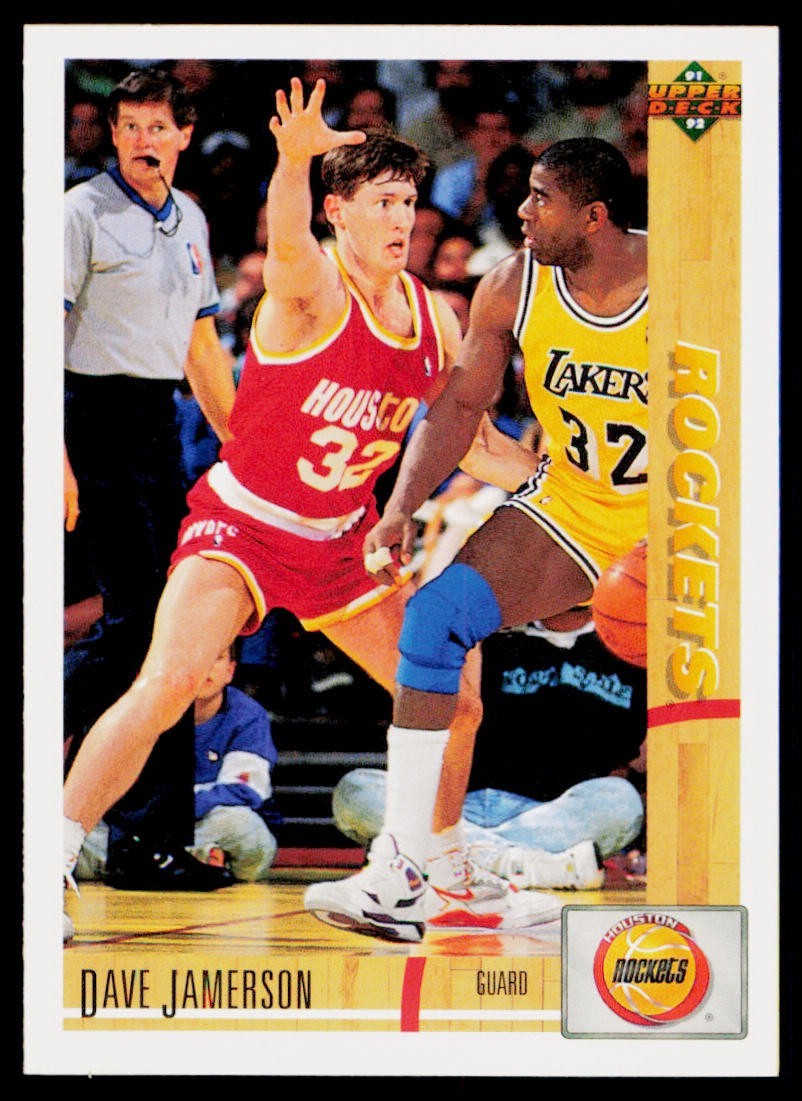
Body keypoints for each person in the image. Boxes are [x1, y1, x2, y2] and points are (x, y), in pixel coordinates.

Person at [63, 77, 557, 942]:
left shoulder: (434, 319)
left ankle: (443, 869)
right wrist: (293, 162)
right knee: (168, 680)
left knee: (458, 693)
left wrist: (560, 476)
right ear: (340, 211)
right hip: (244, 526)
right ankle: (47, 858)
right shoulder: (311, 287)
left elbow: (472, 443)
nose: (401, 220)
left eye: (408, 202)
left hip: (341, 545)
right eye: (382, 203)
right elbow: (286, 236)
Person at [304, 136, 648, 942]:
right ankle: (407, 866)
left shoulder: (682, 283)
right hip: (573, 506)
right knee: (434, 617)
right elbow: (460, 408)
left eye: (541, 199)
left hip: (681, 517)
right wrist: (401, 507)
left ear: (594, 217)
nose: (522, 211)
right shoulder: (513, 283)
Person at [63, 66, 237, 938]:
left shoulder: (191, 217)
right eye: (128, 125)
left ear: (184, 133)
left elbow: (203, 351)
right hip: (89, 417)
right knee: (135, 625)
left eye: (156, 126)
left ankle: (150, 842)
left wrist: (249, 454)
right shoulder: (80, 211)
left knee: (171, 638)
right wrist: (55, 454)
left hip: (160, 425)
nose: (141, 139)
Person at [331, 606, 647, 891]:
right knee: (356, 791)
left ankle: (447, 858)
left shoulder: (631, 652)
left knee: (621, 802)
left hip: (550, 814)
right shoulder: (487, 632)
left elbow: (634, 762)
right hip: (451, 809)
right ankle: (514, 863)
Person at [75, 642, 281, 884]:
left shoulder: (247, 715)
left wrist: (171, 810)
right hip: (139, 827)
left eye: (216, 657)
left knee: (243, 827)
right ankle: (191, 859)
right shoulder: (139, 710)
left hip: (203, 821)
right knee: (77, 830)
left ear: (230, 670)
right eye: (197, 656)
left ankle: (143, 862)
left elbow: (245, 791)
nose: (205, 666)